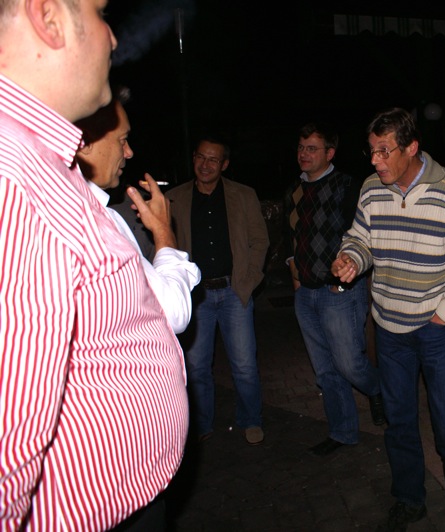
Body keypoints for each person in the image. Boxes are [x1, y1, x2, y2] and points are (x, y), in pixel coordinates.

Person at [0, 0, 189, 529]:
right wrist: (166, 238)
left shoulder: (43, 171)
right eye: (101, 12)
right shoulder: (15, 184)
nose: (113, 38)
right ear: (48, 17)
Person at [331, 108, 445, 532]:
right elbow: (361, 238)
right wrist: (352, 258)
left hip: (436, 330)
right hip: (389, 329)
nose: (375, 161)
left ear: (411, 148)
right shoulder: (372, 189)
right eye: (371, 151)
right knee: (399, 422)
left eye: (384, 151)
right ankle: (409, 499)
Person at [285, 122, 384, 457]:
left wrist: (347, 278)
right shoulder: (294, 190)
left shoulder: (348, 186)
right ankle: (343, 431)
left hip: (339, 292)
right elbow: (291, 235)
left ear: (330, 153)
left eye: (312, 148)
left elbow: (363, 236)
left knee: (349, 364)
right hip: (306, 294)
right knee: (325, 370)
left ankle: (378, 389)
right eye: (301, 148)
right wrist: (295, 274)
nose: (304, 154)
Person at [166, 136, 269, 445]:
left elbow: (260, 241)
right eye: (201, 157)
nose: (205, 164)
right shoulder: (173, 199)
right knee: (196, 367)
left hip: (234, 291)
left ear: (224, 164)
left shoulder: (243, 195)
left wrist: (249, 280)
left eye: (213, 159)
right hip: (196, 296)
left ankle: (251, 419)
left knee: (244, 365)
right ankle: (201, 423)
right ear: (193, 158)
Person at [75, 91, 200, 334]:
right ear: (86, 143)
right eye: (122, 140)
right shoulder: (92, 221)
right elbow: (172, 314)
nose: (129, 152)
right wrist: (163, 230)